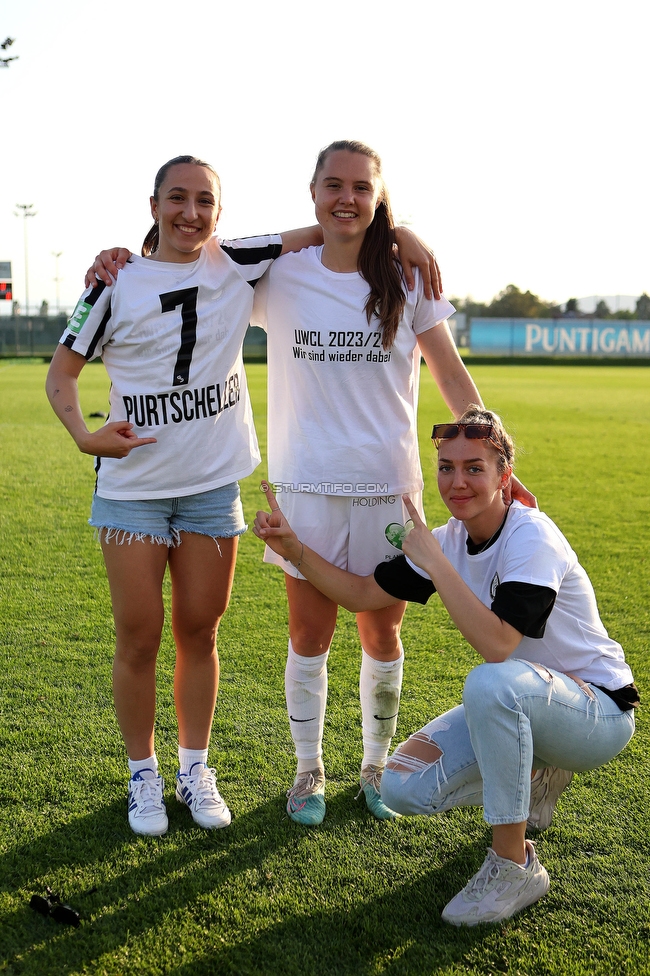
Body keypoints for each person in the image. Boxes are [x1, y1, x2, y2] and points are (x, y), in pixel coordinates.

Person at [50, 153, 441, 838]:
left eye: (204, 200)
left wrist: (400, 231)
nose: (190, 212)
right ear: (152, 206)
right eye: (176, 198)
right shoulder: (116, 279)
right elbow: (60, 375)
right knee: (140, 637)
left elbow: (323, 229)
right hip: (136, 492)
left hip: (211, 490)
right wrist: (84, 435)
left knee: (201, 631)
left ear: (221, 213)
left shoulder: (235, 262)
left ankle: (195, 769)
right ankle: (145, 775)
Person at [253, 405, 638, 925]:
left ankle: (513, 865)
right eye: (447, 468)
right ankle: (541, 771)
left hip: (598, 711)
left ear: (505, 477)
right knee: (400, 785)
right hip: (535, 701)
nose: (457, 482)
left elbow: (499, 644)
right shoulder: (448, 541)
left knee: (491, 684)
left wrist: (436, 563)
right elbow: (363, 596)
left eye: (474, 468)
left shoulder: (531, 537)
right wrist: (294, 550)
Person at [249, 140, 535, 826]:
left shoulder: (408, 281)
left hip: (387, 493)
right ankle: (308, 773)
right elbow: (214, 251)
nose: (346, 198)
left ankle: (375, 766)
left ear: (380, 196)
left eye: (361, 188)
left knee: (382, 636)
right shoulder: (280, 276)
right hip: (307, 489)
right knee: (308, 636)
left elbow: (450, 373)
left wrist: (494, 453)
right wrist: (349, 229)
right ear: (313, 192)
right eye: (333, 186)